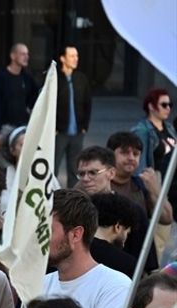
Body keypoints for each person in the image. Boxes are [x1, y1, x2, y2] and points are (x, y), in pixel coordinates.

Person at [35, 189, 131, 308]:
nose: (38, 239)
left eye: (46, 230)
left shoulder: (115, 285)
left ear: (75, 234)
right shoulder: (39, 285)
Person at [76, 145, 159, 273]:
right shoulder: (72, 210)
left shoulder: (131, 211)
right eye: (82, 173)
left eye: (93, 172)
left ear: (111, 173)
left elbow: (148, 264)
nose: (86, 179)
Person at [108, 131, 173, 237]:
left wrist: (155, 189)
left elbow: (166, 218)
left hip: (138, 250)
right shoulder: (97, 182)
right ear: (110, 155)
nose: (131, 158)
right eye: (125, 153)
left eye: (136, 154)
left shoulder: (141, 185)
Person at [0, 43, 37, 149]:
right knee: (2, 160)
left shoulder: (27, 79)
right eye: (23, 54)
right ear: (13, 56)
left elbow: (35, 97)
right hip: (5, 128)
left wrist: (28, 111)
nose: (26, 57)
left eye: (27, 54)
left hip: (24, 127)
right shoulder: (0, 78)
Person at [55, 45, 91, 185]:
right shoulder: (55, 78)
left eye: (76, 56)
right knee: (53, 167)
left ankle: (71, 200)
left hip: (77, 132)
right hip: (59, 133)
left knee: (75, 169)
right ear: (63, 59)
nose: (76, 59)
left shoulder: (81, 78)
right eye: (72, 56)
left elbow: (88, 103)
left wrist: (84, 127)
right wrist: (54, 128)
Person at [88, 191, 142, 276]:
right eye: (127, 232)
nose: (125, 239)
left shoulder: (71, 250)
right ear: (117, 227)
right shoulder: (127, 263)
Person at [133, 87, 175, 174]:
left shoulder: (169, 127)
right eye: (164, 105)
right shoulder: (142, 131)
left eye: (170, 105)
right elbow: (140, 165)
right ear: (151, 106)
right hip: (157, 180)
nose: (168, 108)